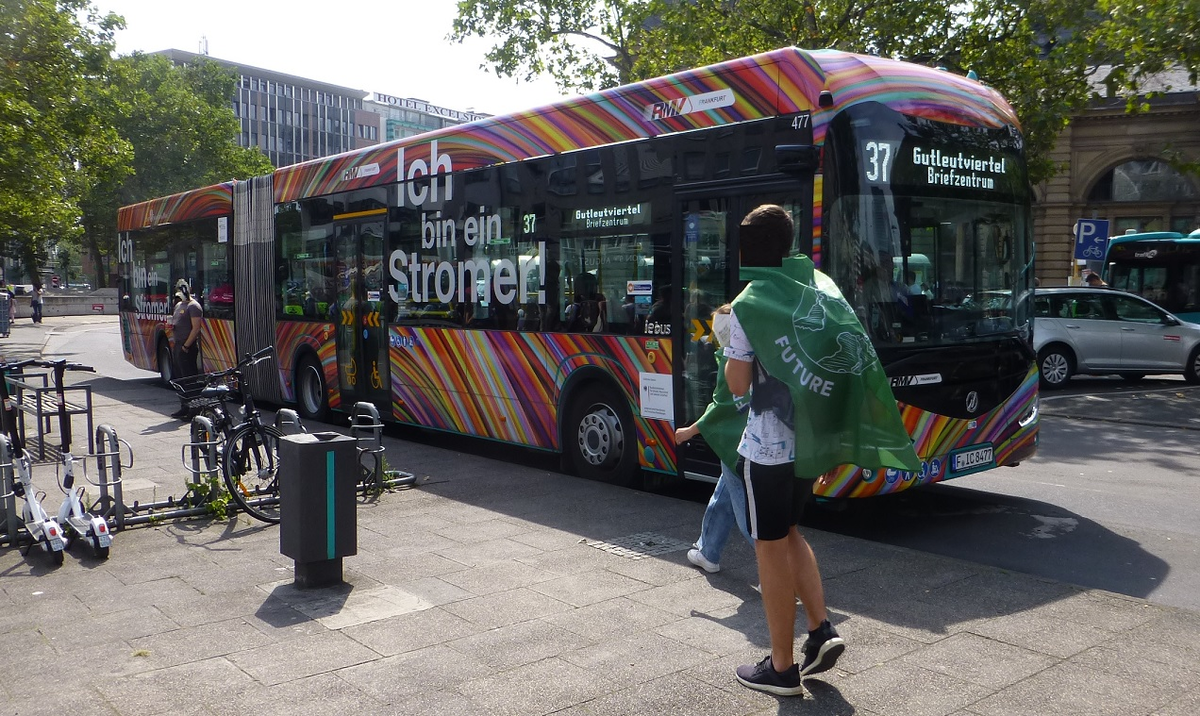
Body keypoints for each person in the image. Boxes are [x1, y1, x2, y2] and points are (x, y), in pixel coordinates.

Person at [723, 206, 919, 696]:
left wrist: (726, 341)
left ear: (747, 250)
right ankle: (820, 629)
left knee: (768, 545)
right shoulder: (818, 286)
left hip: (768, 448)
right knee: (789, 531)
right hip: (808, 444)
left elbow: (737, 385)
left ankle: (782, 668)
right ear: (788, 244)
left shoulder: (750, 301)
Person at [674, 304, 753, 573]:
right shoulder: (754, 353)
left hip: (737, 447)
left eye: (718, 327)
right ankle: (708, 552)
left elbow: (720, 408)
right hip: (743, 446)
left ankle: (780, 572)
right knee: (724, 497)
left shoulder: (731, 362)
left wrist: (688, 432)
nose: (715, 333)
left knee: (749, 521)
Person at [170, 279, 204, 420]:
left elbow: (196, 328)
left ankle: (194, 409)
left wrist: (186, 346)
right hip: (178, 344)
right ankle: (185, 406)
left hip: (187, 347)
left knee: (189, 379)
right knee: (179, 378)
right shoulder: (179, 305)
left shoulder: (194, 306)